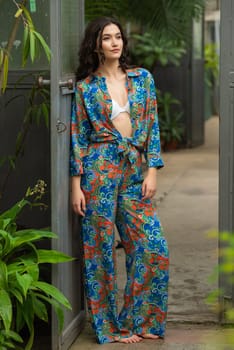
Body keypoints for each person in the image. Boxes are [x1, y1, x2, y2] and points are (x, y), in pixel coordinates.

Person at [70, 16, 169, 344]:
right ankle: (110, 327)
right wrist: (76, 185)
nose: (115, 42)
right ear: (96, 45)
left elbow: (152, 126)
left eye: (118, 37)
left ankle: (142, 320)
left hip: (133, 168)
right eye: (107, 38)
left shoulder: (142, 79)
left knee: (152, 246)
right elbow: (79, 136)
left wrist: (152, 170)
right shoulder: (86, 86)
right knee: (99, 250)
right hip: (98, 169)